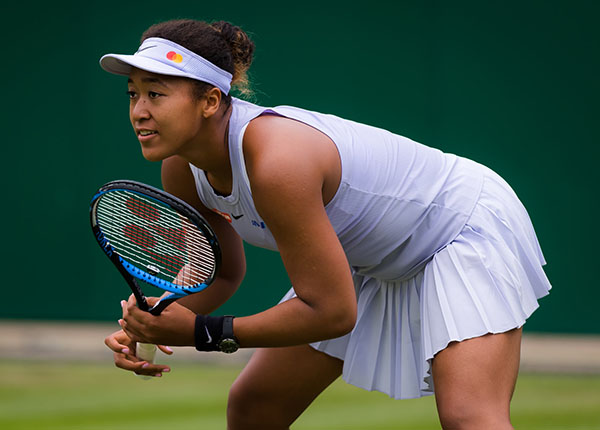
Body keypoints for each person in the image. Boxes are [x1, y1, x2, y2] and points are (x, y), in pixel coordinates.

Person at [100, 19, 551, 430]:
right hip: (368, 252)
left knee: (469, 418)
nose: (138, 110)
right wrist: (157, 319)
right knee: (255, 404)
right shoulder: (182, 169)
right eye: (133, 93)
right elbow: (222, 270)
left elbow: (333, 312)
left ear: (210, 101)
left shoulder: (278, 163)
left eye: (155, 93)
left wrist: (202, 332)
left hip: (457, 225)